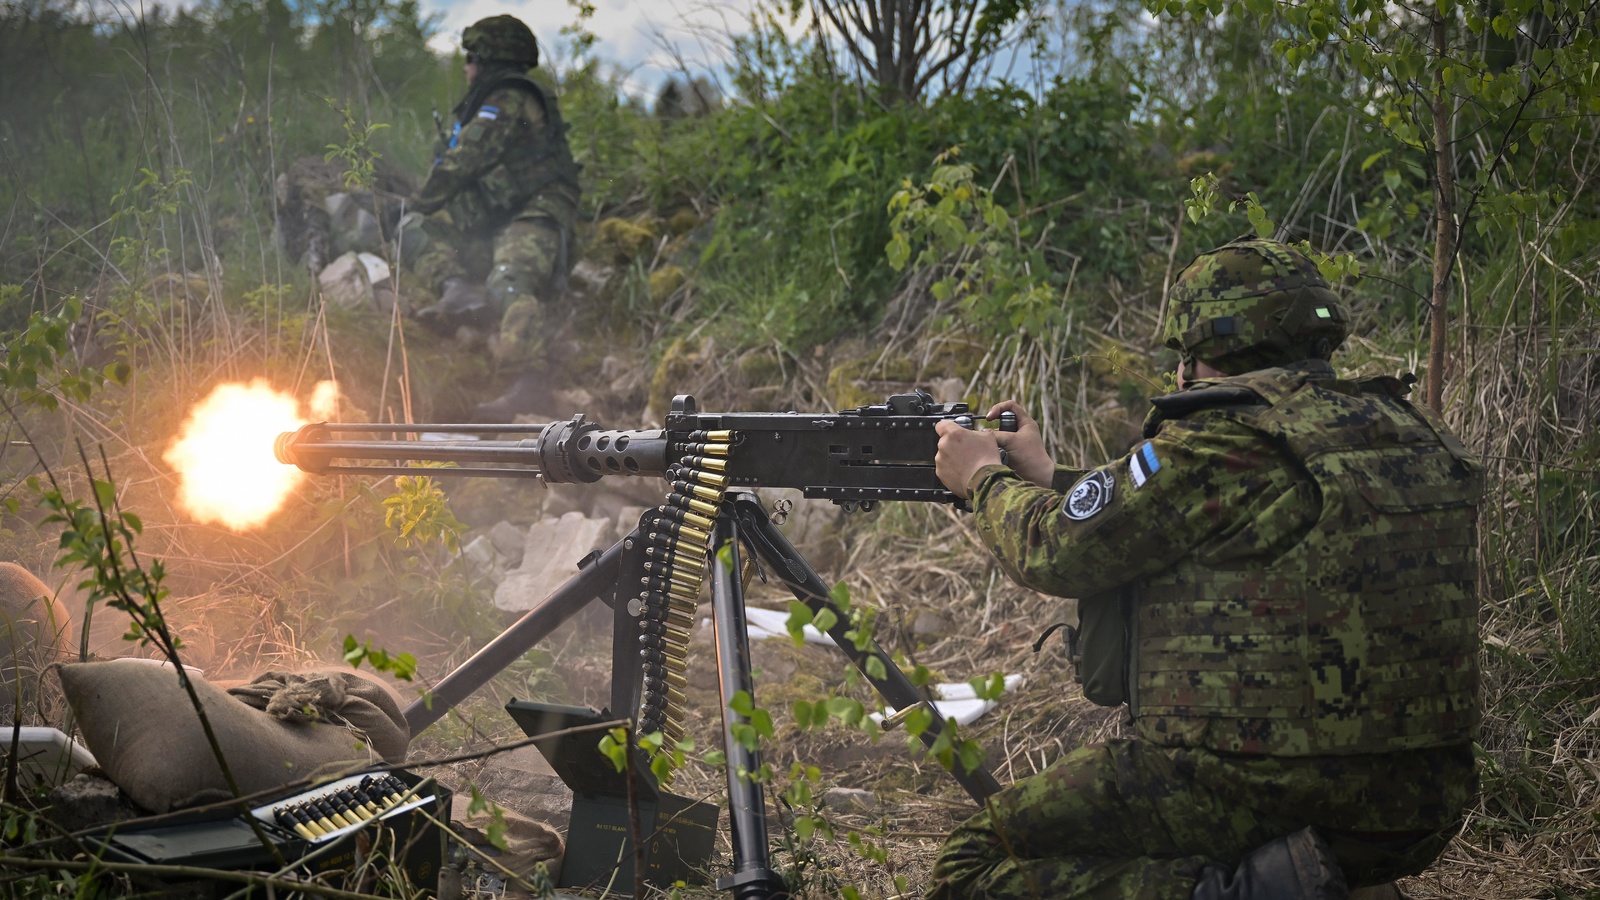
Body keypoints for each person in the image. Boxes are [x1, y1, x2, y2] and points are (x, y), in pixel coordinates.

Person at [928, 238, 1482, 900]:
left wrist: (982, 479)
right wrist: (1049, 476)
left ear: (1197, 349)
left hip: (1259, 789)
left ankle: (1257, 893)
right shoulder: (1407, 428)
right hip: (1424, 802)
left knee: (974, 864)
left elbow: (1055, 549)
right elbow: (1169, 514)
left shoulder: (1222, 438)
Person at [403, 14, 582, 420]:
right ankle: (461, 291)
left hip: (535, 216)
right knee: (413, 229)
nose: (466, 68)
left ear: (487, 58)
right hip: (493, 226)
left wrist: (417, 201)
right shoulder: (490, 102)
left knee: (508, 277)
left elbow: (464, 161)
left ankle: (530, 385)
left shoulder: (508, 99)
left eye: (471, 58)